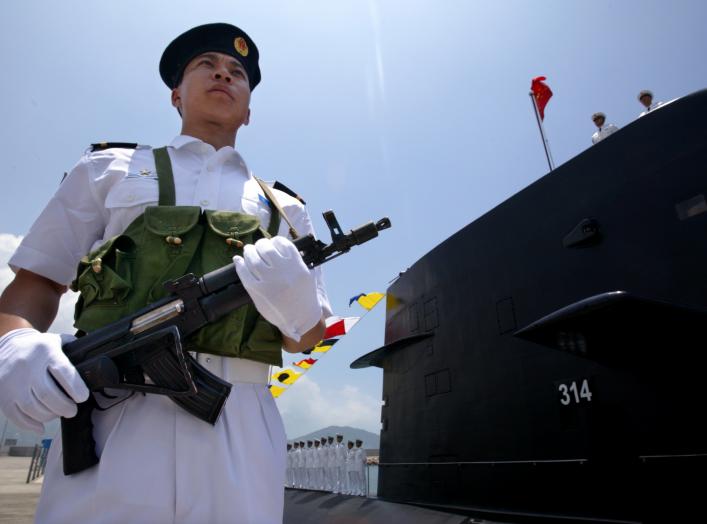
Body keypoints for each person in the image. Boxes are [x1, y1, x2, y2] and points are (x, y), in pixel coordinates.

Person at [0, 23, 331, 524]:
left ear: (248, 110)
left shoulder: (284, 210)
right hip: (117, 415)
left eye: (237, 71)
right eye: (206, 65)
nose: (223, 72)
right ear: (176, 94)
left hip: (239, 423)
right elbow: (37, 283)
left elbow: (306, 338)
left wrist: (297, 303)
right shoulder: (109, 169)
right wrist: (14, 345)